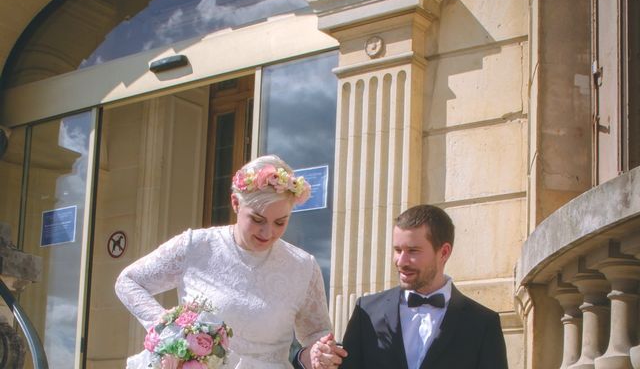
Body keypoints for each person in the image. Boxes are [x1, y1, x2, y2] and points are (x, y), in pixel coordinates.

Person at [115, 155, 341, 369]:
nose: (267, 232)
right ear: (235, 203)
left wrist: (317, 354)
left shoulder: (303, 267)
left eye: (280, 222)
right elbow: (129, 281)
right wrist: (172, 329)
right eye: (257, 219)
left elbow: (316, 334)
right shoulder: (196, 246)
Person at [316, 204, 508, 369]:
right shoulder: (366, 311)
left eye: (413, 251)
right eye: (398, 250)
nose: (401, 261)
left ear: (444, 252)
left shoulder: (483, 323)